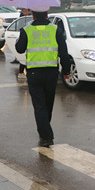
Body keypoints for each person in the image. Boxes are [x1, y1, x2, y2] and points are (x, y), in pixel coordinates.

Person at [15, 8, 70, 147]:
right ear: (47, 15)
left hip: (34, 73)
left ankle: (45, 136)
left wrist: (20, 38)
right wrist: (67, 71)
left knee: (39, 106)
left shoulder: (26, 30)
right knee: (48, 104)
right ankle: (46, 133)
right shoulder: (55, 30)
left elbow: (20, 49)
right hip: (51, 73)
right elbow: (64, 52)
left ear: (33, 16)